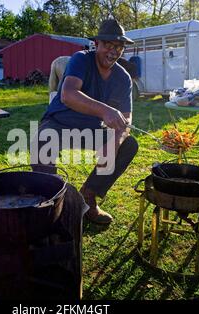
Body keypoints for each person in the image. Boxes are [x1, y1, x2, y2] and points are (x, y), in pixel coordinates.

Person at [32, 19, 139, 225]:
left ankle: (87, 198)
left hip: (91, 129)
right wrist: (105, 110)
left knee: (128, 144)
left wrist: (115, 141)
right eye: (108, 45)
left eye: (119, 47)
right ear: (96, 43)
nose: (113, 51)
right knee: (42, 142)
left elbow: (126, 119)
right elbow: (68, 95)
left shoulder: (122, 77)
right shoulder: (81, 59)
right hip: (59, 122)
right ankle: (51, 204)